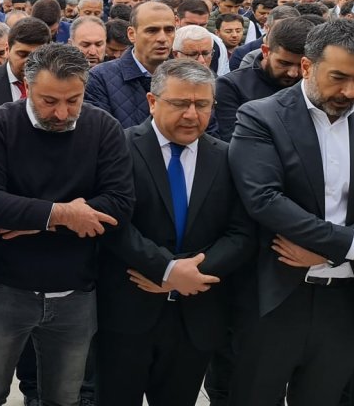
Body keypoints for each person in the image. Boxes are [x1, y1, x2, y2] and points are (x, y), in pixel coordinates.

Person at [230, 19, 354, 403]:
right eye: (338, 77)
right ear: (306, 67)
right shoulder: (261, 117)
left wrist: (335, 252)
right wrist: (349, 245)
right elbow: (265, 199)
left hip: (348, 301)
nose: (351, 91)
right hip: (276, 296)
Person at [0, 43, 134, 406]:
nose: (62, 113)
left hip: (75, 292)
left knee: (64, 398)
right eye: (49, 101)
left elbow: (119, 205)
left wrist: (39, 219)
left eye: (73, 100)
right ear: (27, 88)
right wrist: (64, 214)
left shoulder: (103, 127)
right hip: (3, 289)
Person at [95, 59, 255, 406]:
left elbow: (241, 233)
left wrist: (187, 274)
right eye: (180, 103)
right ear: (153, 102)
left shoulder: (227, 158)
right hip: (127, 315)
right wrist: (166, 269)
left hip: (196, 317)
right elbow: (113, 225)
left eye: (202, 105)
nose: (192, 115)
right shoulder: (119, 148)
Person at [212, 17, 312, 142]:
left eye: (302, 66)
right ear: (265, 51)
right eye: (284, 63)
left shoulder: (313, 86)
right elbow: (234, 142)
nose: (293, 73)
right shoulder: (231, 86)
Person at [86, 2, 176, 128]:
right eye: (152, 30)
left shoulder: (186, 77)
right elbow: (102, 136)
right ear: (131, 34)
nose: (162, 38)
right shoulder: (100, 78)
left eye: (169, 30)